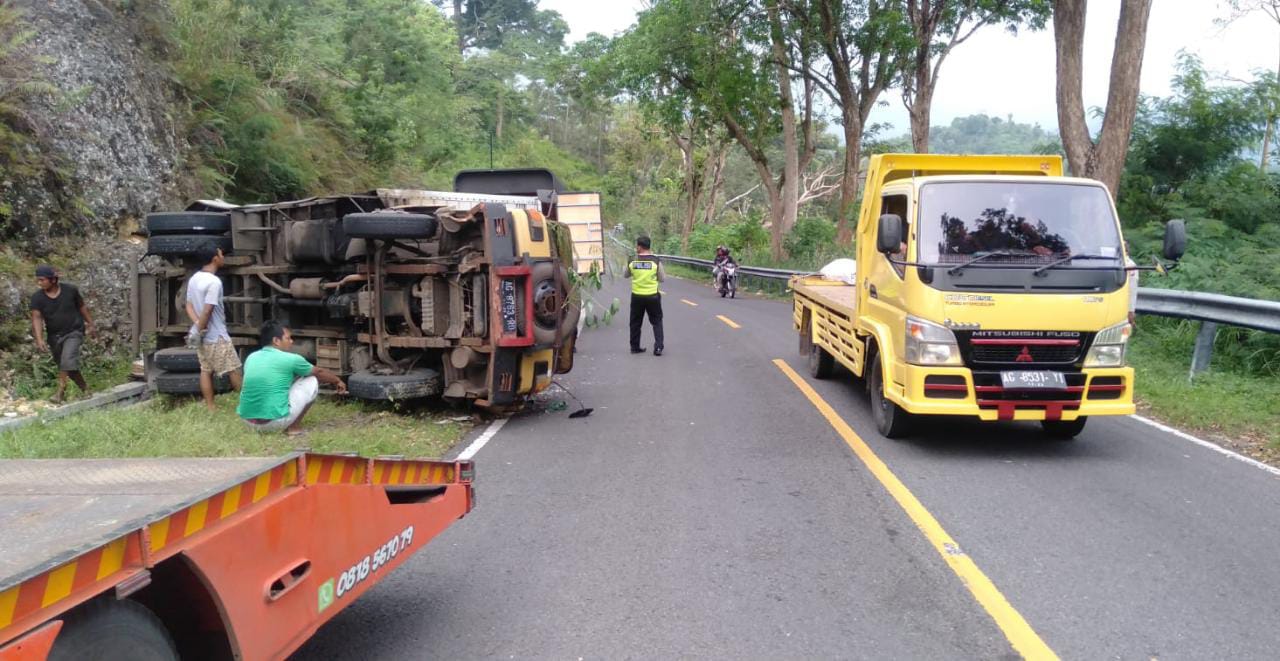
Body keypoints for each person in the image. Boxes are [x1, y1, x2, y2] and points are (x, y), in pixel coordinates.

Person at [237, 321, 347, 435]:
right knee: (312, 379)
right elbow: (318, 372)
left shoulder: (251, 357)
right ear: (276, 341)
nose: (291, 341)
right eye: (288, 338)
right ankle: (293, 427)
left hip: (248, 421)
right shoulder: (291, 359)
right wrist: (337, 380)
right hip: (273, 423)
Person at [185, 240, 243, 411]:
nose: (222, 256)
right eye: (220, 253)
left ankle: (211, 407)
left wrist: (196, 329)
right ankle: (248, 405)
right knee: (233, 368)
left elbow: (188, 305)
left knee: (205, 369)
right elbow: (207, 310)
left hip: (200, 335)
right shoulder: (214, 282)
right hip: (216, 335)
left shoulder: (194, 278)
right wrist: (201, 327)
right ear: (214, 258)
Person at [29, 265, 95, 404]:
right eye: (38, 280)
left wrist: (90, 323)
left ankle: (60, 393)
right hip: (55, 336)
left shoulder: (70, 290)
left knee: (67, 360)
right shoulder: (37, 298)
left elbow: (82, 306)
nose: (39, 283)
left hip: (74, 331)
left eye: (42, 280)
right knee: (66, 366)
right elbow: (36, 318)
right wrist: (39, 339)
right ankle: (85, 389)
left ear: (53, 280)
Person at [625, 235, 665, 356]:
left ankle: (634, 347)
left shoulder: (632, 260)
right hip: (652, 296)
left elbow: (625, 275)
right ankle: (658, 348)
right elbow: (662, 278)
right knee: (657, 321)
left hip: (637, 296)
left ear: (640, 247)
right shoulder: (656, 261)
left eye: (637, 245)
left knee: (635, 322)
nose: (636, 247)